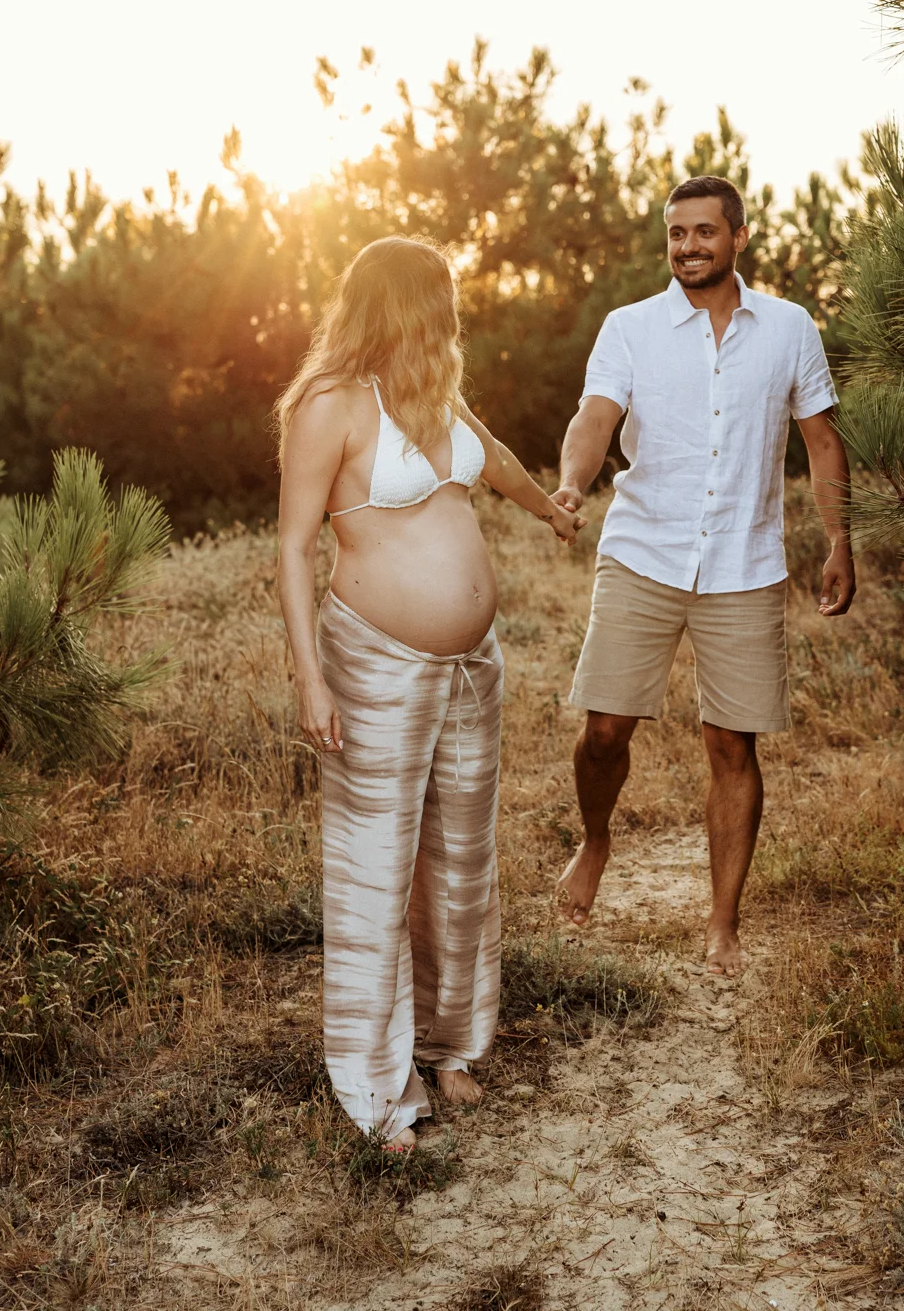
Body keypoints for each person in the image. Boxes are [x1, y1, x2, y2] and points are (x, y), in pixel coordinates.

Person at [276, 236, 582, 1151]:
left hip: (470, 665)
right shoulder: (329, 405)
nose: (451, 315)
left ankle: (449, 1045)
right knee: (378, 867)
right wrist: (310, 677)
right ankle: (377, 1086)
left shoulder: (438, 398)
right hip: (372, 661)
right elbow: (293, 547)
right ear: (399, 305)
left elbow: (496, 464)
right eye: (439, 299)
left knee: (459, 858)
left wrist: (548, 510)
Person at [552, 175, 855, 975]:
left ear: (738, 236)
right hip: (642, 549)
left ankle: (721, 921)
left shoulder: (789, 328)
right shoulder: (629, 328)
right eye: (676, 234)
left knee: (730, 741)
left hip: (743, 560)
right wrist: (571, 484)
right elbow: (594, 419)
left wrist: (837, 539)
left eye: (703, 232)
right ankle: (595, 840)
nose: (687, 247)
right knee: (604, 729)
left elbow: (821, 441)